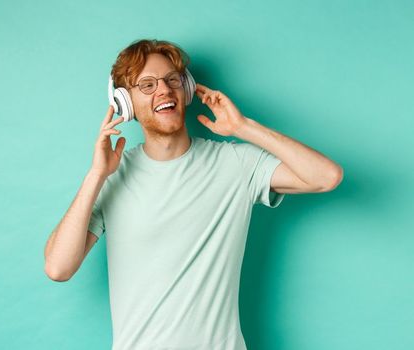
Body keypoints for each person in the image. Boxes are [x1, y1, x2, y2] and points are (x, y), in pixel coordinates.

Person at [43, 39, 343, 350]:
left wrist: (243, 127)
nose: (163, 90)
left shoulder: (236, 164)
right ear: (124, 103)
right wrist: (96, 176)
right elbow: (58, 267)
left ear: (185, 89)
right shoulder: (112, 177)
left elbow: (326, 177)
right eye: (147, 85)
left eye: (172, 79)